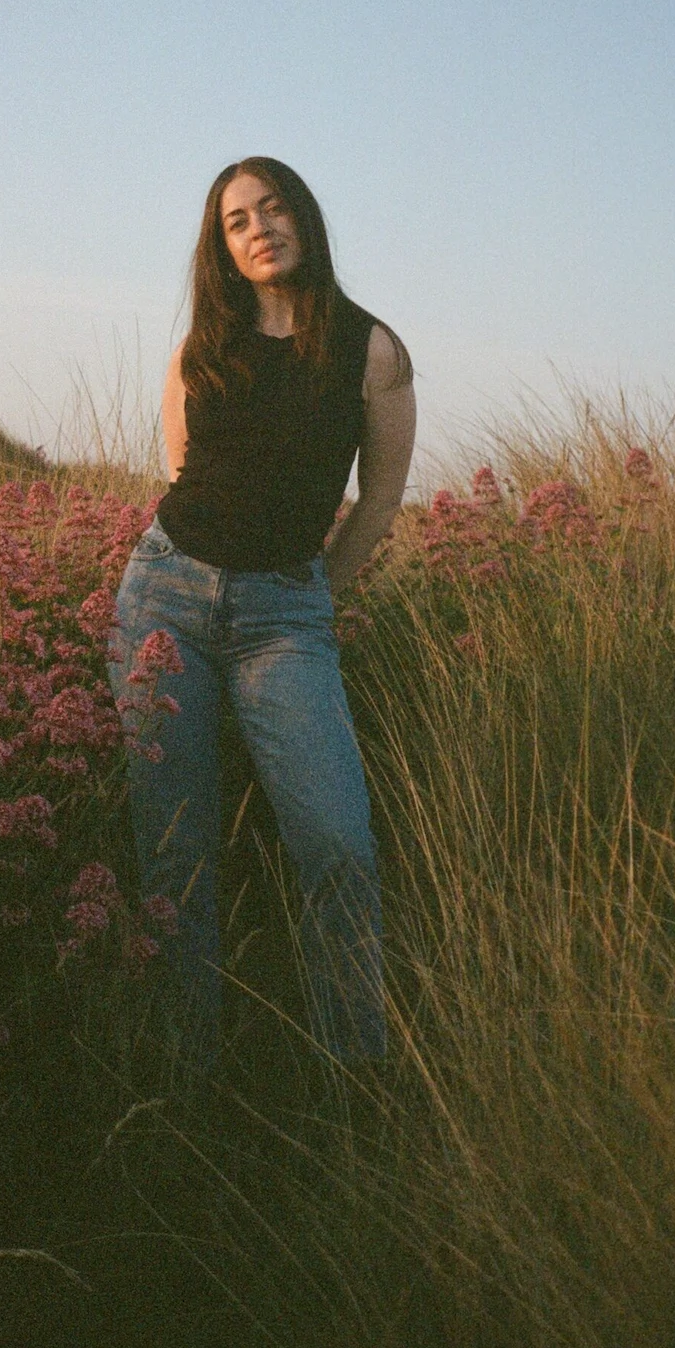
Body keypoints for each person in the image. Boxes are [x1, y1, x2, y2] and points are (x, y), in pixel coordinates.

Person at [109, 157, 416, 1068]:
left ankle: (355, 1076)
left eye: (273, 208)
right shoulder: (201, 349)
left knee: (336, 842)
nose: (258, 228)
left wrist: (309, 591)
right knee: (176, 852)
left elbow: (379, 500)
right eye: (236, 221)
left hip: (284, 618)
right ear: (222, 247)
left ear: (303, 218)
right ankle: (185, 1076)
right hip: (164, 597)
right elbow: (181, 472)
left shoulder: (370, 349)